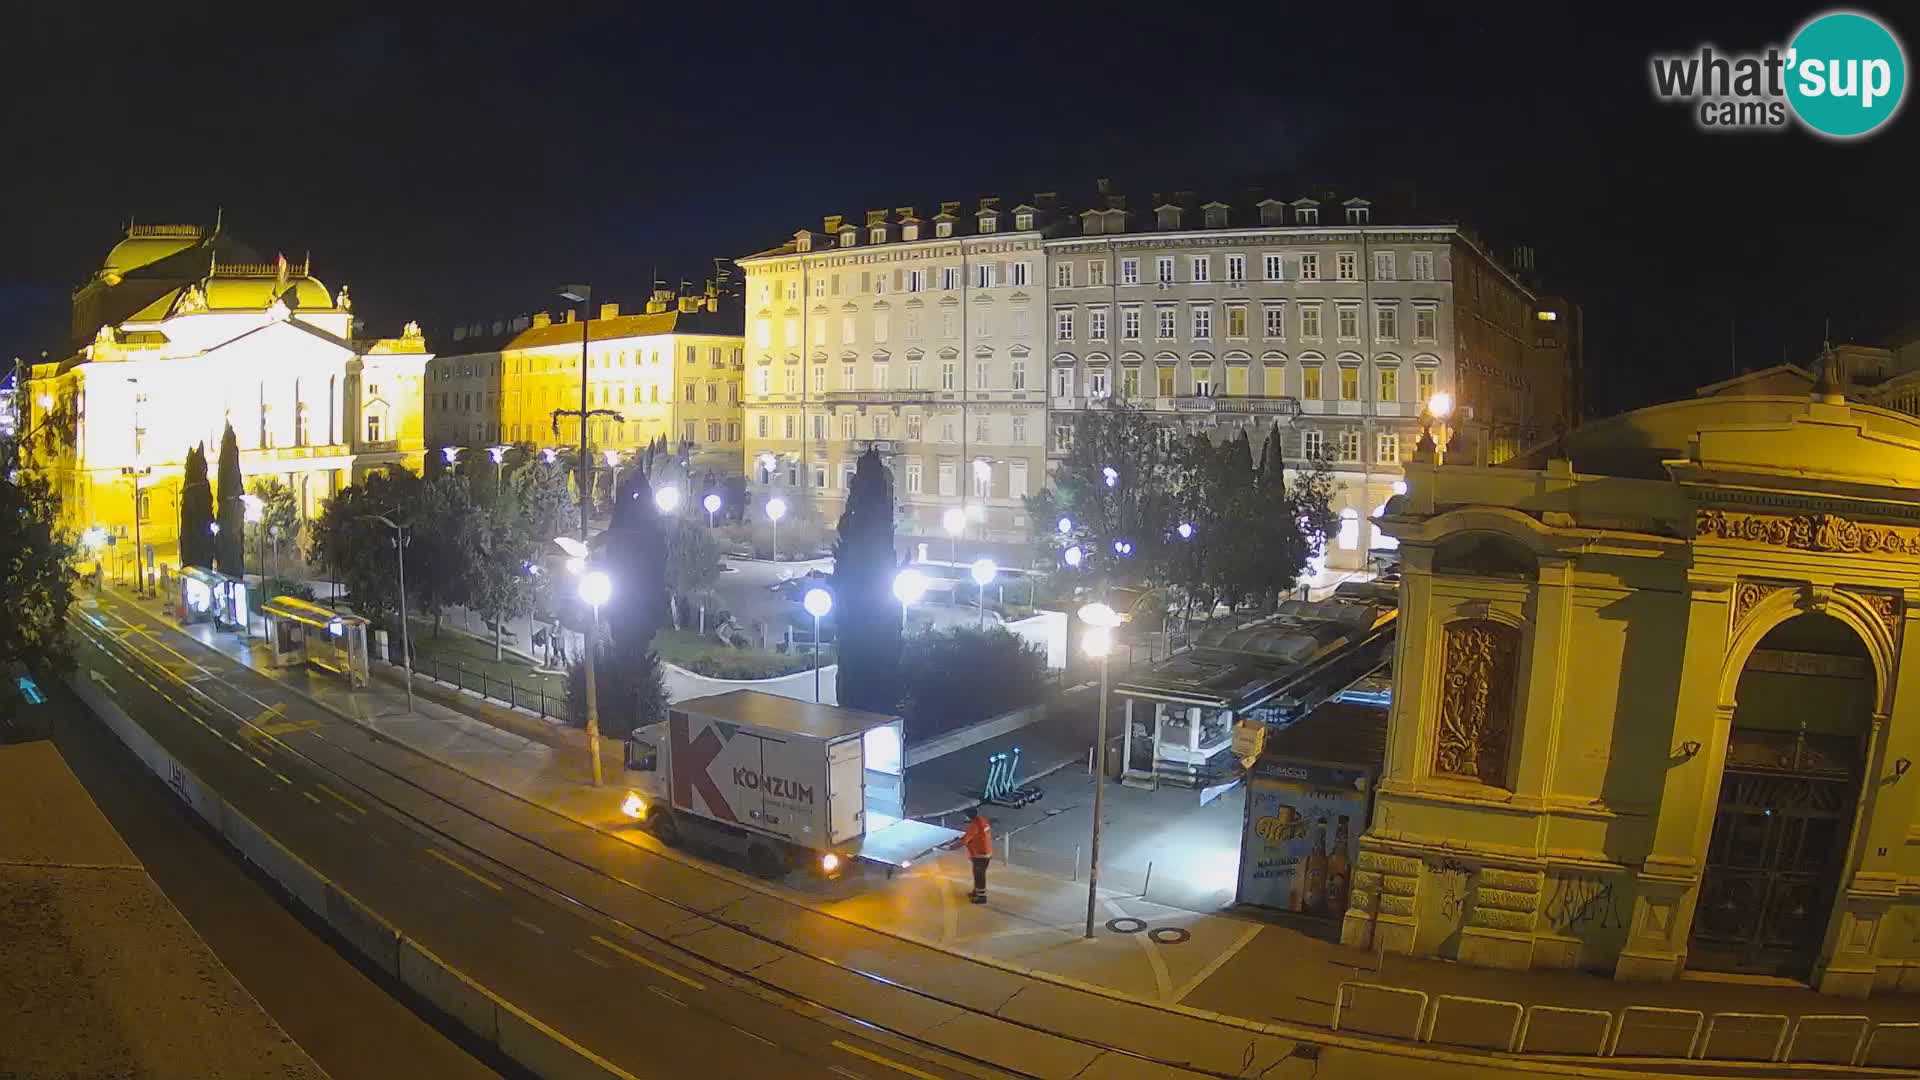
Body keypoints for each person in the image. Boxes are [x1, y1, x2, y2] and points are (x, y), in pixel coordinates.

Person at [960, 806, 993, 904]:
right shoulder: (983, 821)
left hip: (980, 854)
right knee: (978, 873)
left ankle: (981, 897)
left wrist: (950, 847)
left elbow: (965, 840)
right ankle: (977, 892)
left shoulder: (974, 825)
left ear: (969, 816)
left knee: (979, 875)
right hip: (986, 852)